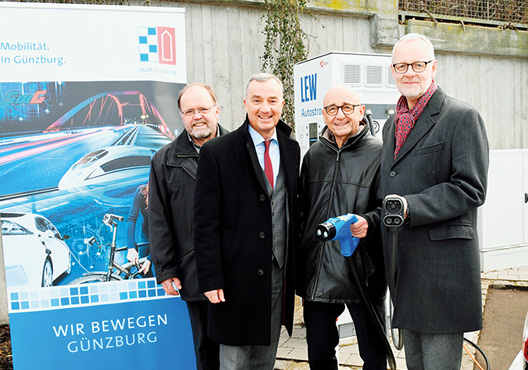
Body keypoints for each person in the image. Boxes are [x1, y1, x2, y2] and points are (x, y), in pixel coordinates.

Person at [380, 33, 489, 370]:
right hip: (405, 266)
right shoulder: (390, 125)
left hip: (443, 272)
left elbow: (471, 188)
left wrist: (412, 207)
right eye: (401, 66)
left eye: (418, 64)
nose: (409, 72)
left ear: (433, 68)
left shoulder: (460, 117)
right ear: (393, 70)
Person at [192, 73, 300, 370]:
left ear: (282, 105)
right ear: (245, 104)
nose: (265, 108)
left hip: (276, 276)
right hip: (233, 277)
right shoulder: (217, 151)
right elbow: (204, 222)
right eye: (257, 100)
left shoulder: (291, 149)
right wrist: (211, 278)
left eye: (272, 101)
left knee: (265, 359)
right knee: (235, 361)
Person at [297, 85, 386, 370]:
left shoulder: (381, 154)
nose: (340, 115)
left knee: (374, 355)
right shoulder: (313, 155)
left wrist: (368, 223)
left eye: (347, 107)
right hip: (318, 272)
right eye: (332, 109)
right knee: (320, 354)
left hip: (362, 271)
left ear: (361, 111)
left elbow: (388, 209)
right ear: (323, 114)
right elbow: (301, 211)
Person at [148, 83, 229, 370]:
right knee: (206, 348)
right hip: (194, 271)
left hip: (238, 269)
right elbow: (158, 219)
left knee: (242, 349)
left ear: (216, 111)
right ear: (181, 116)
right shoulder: (164, 161)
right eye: (190, 111)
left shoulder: (241, 150)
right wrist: (166, 269)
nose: (198, 116)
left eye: (203, 109)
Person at [125, 183, 151, 275]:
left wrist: (150, 258)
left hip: (163, 234)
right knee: (142, 270)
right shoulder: (141, 191)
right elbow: (131, 219)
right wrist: (131, 248)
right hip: (146, 232)